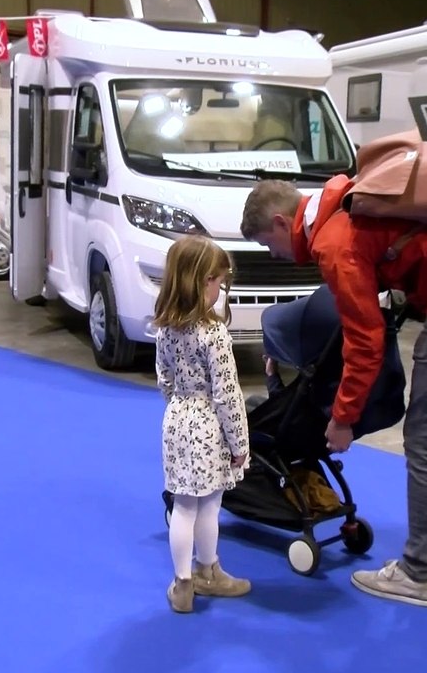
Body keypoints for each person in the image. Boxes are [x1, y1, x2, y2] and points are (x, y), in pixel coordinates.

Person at [239, 138, 427, 608]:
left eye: (268, 244)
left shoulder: (334, 241)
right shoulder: (345, 197)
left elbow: (364, 341)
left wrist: (343, 416)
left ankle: (418, 573)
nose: (274, 255)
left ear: (281, 222)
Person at [153, 234, 252, 614]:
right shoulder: (214, 335)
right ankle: (209, 570)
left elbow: (164, 378)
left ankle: (182, 584)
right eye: (218, 281)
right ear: (201, 282)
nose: (220, 289)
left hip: (177, 418)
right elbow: (228, 394)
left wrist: (180, 406)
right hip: (209, 424)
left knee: (183, 506)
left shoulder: (165, 329)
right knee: (210, 504)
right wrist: (240, 444)